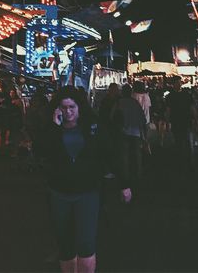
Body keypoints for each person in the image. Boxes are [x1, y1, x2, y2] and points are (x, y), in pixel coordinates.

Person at [38, 86, 131, 273]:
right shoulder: (51, 130)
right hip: (59, 192)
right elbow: (41, 152)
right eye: (63, 108)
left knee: (86, 243)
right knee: (65, 245)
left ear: (79, 107)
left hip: (87, 192)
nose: (68, 112)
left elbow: (110, 154)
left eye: (72, 107)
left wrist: (124, 184)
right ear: (57, 109)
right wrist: (55, 127)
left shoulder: (92, 127)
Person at [114, 84, 147, 189]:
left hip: (123, 132)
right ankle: (138, 176)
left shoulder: (119, 103)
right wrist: (144, 135)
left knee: (124, 156)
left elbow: (112, 117)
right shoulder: (135, 103)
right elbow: (143, 120)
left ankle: (126, 177)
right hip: (136, 133)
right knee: (137, 156)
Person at [165, 78, 194, 171]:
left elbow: (192, 108)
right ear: (173, 84)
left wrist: (196, 119)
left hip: (185, 121)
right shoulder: (170, 96)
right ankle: (183, 162)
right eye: (176, 83)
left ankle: (188, 162)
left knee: (186, 142)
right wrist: (168, 122)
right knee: (181, 142)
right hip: (177, 122)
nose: (178, 84)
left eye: (179, 83)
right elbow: (168, 110)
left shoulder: (185, 95)